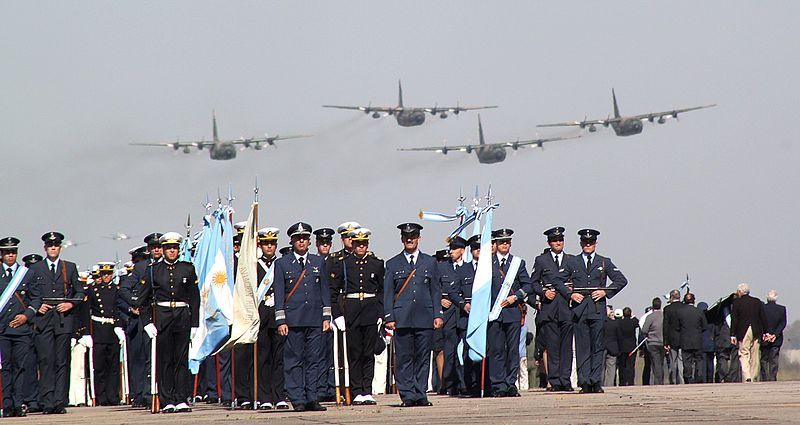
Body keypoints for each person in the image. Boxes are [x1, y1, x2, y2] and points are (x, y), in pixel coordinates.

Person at [555, 229, 628, 394]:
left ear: (596, 244)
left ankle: (596, 381)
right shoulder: (572, 262)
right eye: (585, 243)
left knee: (598, 347)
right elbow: (557, 280)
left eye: (591, 242)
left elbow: (621, 280)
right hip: (580, 310)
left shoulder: (604, 262)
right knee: (582, 348)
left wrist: (606, 292)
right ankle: (585, 382)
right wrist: (570, 294)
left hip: (597, 309)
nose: (588, 245)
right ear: (581, 244)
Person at [136, 232, 200, 413]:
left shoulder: (187, 268)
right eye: (168, 248)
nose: (172, 251)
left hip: (182, 316)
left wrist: (195, 323)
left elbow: (194, 298)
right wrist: (147, 322)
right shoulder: (153, 270)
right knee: (164, 360)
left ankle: (181, 398)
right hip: (162, 318)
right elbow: (143, 300)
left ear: (179, 250)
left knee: (181, 359)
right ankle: (167, 399)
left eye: (175, 248)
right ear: (163, 250)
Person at [383, 223, 444, 407]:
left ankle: (420, 393)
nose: (410, 239)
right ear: (402, 239)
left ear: (419, 238)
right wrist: (389, 317)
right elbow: (387, 293)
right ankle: (408, 395)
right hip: (402, 319)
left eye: (413, 236)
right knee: (404, 358)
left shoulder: (429, 262)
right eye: (406, 237)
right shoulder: (392, 263)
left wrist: (437, 314)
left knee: (423, 357)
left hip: (425, 317)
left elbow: (435, 291)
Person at [274, 223, 332, 412]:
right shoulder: (282, 263)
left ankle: (312, 397)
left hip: (315, 319)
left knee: (314, 360)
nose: (301, 241)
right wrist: (281, 320)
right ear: (291, 240)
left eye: (305, 238)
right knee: (294, 360)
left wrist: (326, 317)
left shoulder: (318, 262)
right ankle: (297, 398)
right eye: (298, 238)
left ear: (309, 241)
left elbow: (324, 291)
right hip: (293, 320)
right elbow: (280, 293)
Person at [28, 231, 84, 414]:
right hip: (44, 320)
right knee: (46, 360)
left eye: (56, 245)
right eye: (50, 245)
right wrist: (37, 307)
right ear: (45, 248)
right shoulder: (35, 269)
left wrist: (69, 304)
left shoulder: (70, 267)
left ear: (60, 247)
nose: (53, 248)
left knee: (62, 361)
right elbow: (27, 294)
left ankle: (60, 401)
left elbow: (80, 293)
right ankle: (47, 401)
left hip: (63, 320)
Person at [329, 228, 384, 405]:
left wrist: (380, 313)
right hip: (351, 311)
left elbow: (382, 290)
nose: (361, 247)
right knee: (354, 353)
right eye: (358, 244)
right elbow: (333, 291)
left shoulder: (376, 264)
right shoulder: (343, 263)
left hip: (370, 311)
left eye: (364, 244)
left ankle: (366, 390)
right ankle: (356, 390)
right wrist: (337, 315)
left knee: (369, 353)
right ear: (352, 244)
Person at [118, 233, 163, 408]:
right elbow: (124, 289)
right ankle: (147, 395)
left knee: (168, 357)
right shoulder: (142, 267)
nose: (157, 250)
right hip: (149, 316)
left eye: (159, 246)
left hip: (168, 315)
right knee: (148, 358)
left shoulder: (173, 265)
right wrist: (136, 304)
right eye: (154, 247)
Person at [487, 229, 532, 398]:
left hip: (513, 312)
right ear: (496, 244)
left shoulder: (517, 263)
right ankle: (498, 385)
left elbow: (528, 285)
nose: (504, 245)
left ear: (510, 244)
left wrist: (516, 297)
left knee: (512, 350)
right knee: (497, 350)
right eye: (501, 242)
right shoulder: (487, 263)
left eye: (507, 242)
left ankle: (510, 383)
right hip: (494, 313)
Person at [530, 226, 573, 392]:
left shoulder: (571, 260)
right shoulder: (542, 260)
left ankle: (565, 379)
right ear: (549, 242)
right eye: (555, 240)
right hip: (549, 309)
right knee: (553, 347)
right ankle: (555, 381)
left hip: (567, 308)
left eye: (560, 240)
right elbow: (533, 282)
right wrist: (543, 291)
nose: (558, 243)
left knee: (566, 347)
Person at [0, 237, 37, 417]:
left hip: (21, 329)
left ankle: (18, 403)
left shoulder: (26, 273)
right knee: (5, 368)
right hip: (2, 329)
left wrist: (26, 316)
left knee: (20, 367)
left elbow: (36, 298)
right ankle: (7, 405)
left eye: (13, 252)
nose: (10, 255)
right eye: (7, 252)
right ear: (1, 254)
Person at [255, 227, 288, 410]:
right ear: (261, 245)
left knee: (279, 358)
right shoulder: (253, 265)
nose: (269, 247)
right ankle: (264, 397)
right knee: (263, 358)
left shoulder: (282, 264)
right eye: (266, 243)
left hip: (278, 316)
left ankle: (279, 395)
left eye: (272, 243)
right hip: (261, 318)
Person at [84, 262, 125, 405]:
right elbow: (86, 312)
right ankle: (101, 397)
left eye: (109, 274)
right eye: (104, 274)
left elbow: (119, 309)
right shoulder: (92, 290)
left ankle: (113, 396)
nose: (106, 276)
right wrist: (86, 333)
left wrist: (120, 326)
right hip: (98, 330)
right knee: (99, 366)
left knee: (113, 366)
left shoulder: (117, 290)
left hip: (112, 329)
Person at [449, 235, 481, 397]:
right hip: (466, 318)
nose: (478, 251)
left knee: (487, 353)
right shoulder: (463, 269)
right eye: (475, 248)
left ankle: (487, 385)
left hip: (486, 319)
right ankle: (469, 386)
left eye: (481, 248)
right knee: (467, 354)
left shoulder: (490, 270)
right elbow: (453, 293)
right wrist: (463, 304)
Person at [730, 283, 767, 382]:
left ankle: (747, 376)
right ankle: (754, 375)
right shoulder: (757, 302)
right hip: (756, 330)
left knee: (744, 352)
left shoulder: (737, 303)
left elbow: (734, 320)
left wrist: (732, 334)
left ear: (740, 292)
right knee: (755, 354)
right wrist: (766, 332)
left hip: (743, 331)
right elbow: (763, 317)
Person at [676, 293, 707, 384]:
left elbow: (677, 327)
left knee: (687, 361)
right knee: (699, 360)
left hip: (685, 340)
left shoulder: (680, 312)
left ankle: (688, 378)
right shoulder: (699, 311)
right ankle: (699, 377)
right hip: (697, 340)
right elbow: (705, 326)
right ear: (694, 300)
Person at [760, 290, 786, 382]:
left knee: (764, 359)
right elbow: (783, 323)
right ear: (776, 298)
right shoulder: (782, 309)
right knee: (774, 359)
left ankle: (764, 377)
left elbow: (761, 322)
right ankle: (772, 377)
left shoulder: (762, 308)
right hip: (777, 338)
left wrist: (766, 333)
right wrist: (775, 335)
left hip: (764, 337)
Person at [662, 289, 685, 384]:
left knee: (673, 361)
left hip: (672, 338)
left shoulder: (667, 309)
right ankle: (682, 381)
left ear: (671, 297)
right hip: (683, 338)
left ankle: (674, 381)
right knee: (681, 361)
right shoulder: (684, 307)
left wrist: (665, 342)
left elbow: (665, 326)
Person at [640, 298, 664, 385]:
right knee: (661, 363)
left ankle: (658, 382)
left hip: (652, 342)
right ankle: (660, 380)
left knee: (655, 363)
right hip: (663, 342)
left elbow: (644, 330)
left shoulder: (650, 317)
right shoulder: (664, 315)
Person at [615, 307, 638, 386]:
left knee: (622, 366)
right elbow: (638, 323)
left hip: (622, 347)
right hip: (632, 347)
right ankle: (631, 382)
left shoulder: (619, 322)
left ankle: (622, 382)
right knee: (631, 366)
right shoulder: (633, 322)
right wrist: (633, 317)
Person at [603, 308, 620, 386]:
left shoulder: (600, 323)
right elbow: (618, 336)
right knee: (611, 368)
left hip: (602, 347)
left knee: (601, 368)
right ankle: (609, 385)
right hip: (613, 347)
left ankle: (601, 384)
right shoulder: (614, 323)